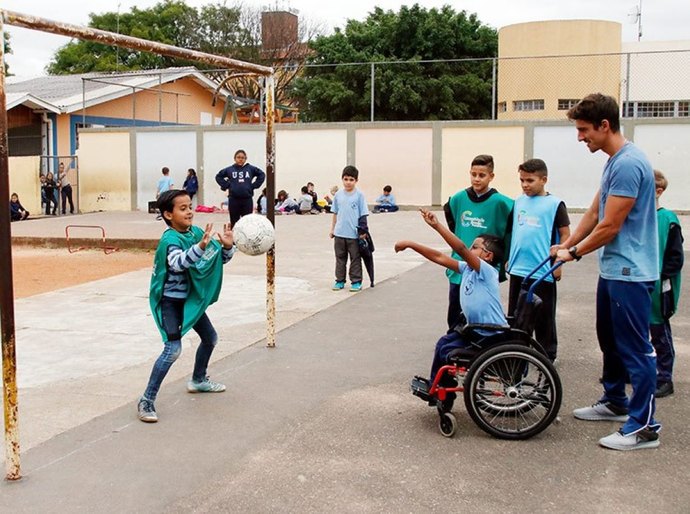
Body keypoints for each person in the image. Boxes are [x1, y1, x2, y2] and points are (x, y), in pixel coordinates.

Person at [554, 93, 661, 451]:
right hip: (615, 270)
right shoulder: (614, 161)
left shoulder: (630, 164)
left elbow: (611, 225)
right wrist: (564, 246)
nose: (580, 137)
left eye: (584, 130)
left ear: (604, 125)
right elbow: (594, 214)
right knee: (610, 340)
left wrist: (575, 253)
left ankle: (644, 427)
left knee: (635, 348)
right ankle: (616, 401)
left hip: (631, 272)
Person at [137, 189, 237, 423]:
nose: (190, 212)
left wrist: (228, 248)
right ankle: (146, 399)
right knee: (173, 350)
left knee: (210, 338)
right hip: (171, 302)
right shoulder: (169, 240)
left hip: (190, 301)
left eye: (190, 207)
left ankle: (198, 380)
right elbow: (178, 263)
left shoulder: (197, 234)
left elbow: (215, 261)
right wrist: (200, 248)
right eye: (183, 208)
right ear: (168, 214)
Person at [395, 209, 507, 392]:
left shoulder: (487, 271)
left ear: (488, 255)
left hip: (489, 335)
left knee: (446, 351)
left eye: (476, 247)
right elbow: (440, 257)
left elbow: (461, 249)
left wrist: (437, 226)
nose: (470, 249)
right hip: (475, 330)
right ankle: (438, 388)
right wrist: (412, 245)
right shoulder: (469, 269)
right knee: (442, 344)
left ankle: (443, 390)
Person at [507, 159, 570, 363]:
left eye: (530, 180)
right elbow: (516, 233)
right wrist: (510, 258)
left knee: (543, 316)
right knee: (517, 316)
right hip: (518, 269)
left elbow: (565, 234)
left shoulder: (555, 204)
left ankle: (547, 355)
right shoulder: (518, 202)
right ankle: (517, 352)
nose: (525, 184)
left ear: (543, 180)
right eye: (522, 180)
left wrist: (558, 263)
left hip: (542, 271)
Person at [443, 154, 513, 330]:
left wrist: (506, 257)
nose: (476, 179)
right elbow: (453, 225)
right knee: (455, 309)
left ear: (491, 176)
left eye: (482, 175)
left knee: (480, 308)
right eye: (473, 174)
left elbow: (510, 233)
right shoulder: (458, 199)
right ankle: (455, 339)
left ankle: (480, 341)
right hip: (460, 267)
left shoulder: (503, 203)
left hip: (484, 267)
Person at [650, 170, 684, 398]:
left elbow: (675, 257)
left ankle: (665, 377)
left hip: (659, 288)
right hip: (638, 285)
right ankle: (634, 372)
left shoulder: (668, 219)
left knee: (660, 332)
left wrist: (663, 277)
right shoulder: (636, 215)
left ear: (658, 191)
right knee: (635, 333)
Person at [330, 165, 369, 292]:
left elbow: (363, 214)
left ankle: (356, 281)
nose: (348, 182)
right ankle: (339, 280)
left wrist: (363, 231)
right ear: (342, 179)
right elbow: (335, 213)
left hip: (353, 234)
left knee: (355, 258)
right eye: (346, 179)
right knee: (340, 258)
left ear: (356, 181)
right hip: (340, 233)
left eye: (351, 179)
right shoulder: (338, 195)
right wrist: (332, 229)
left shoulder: (359, 196)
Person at [215, 149, 265, 227]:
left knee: (247, 222)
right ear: (234, 158)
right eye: (238, 157)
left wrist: (254, 185)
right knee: (234, 222)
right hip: (233, 199)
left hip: (247, 199)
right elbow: (218, 176)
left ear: (245, 159)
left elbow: (262, 175)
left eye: (243, 157)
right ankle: (234, 238)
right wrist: (227, 185)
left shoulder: (251, 169)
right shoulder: (229, 169)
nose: (240, 159)